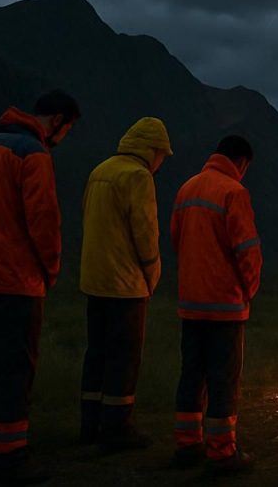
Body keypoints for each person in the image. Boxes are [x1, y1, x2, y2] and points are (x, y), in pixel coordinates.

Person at [0, 90, 80, 483]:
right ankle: (9, 459)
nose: (63, 139)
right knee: (15, 368)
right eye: (68, 130)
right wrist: (52, 270)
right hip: (16, 281)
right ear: (58, 121)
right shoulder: (34, 156)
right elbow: (43, 219)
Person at [79, 117, 172, 451]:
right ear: (152, 150)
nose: (161, 162)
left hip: (95, 280)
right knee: (124, 355)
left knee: (97, 353)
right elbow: (145, 231)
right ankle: (117, 428)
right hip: (125, 284)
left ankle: (90, 423)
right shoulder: (138, 176)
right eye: (162, 155)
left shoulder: (100, 170)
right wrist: (152, 273)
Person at [171, 135, 262, 475]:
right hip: (225, 306)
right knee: (223, 379)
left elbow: (176, 240)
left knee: (192, 374)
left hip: (191, 304)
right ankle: (222, 452)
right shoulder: (233, 192)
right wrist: (248, 290)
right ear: (242, 163)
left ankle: (187, 444)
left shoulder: (186, 189)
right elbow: (247, 249)